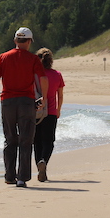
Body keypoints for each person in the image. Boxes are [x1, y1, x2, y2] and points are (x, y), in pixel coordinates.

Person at [0, 27, 48, 188]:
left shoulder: (3, 57)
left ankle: (9, 176)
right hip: (26, 102)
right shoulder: (33, 59)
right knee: (26, 140)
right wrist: (44, 97)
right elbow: (43, 78)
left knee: (10, 139)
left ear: (15, 41)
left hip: (7, 102)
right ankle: (22, 178)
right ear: (29, 42)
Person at [33, 48, 65, 182]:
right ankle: (43, 161)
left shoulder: (33, 75)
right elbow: (60, 95)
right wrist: (58, 109)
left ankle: (40, 166)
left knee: (36, 142)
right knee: (48, 141)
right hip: (50, 112)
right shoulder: (57, 74)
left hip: (35, 112)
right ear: (51, 60)